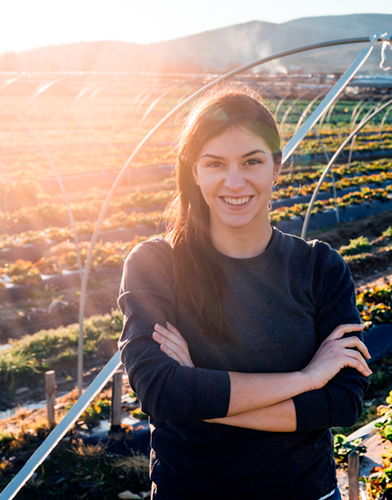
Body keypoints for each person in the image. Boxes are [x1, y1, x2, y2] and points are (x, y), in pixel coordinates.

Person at [117, 85, 371, 500]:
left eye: (251, 161)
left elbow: (342, 401)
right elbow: (159, 391)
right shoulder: (156, 265)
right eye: (215, 163)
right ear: (194, 171)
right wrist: (305, 379)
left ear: (276, 167)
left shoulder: (320, 267)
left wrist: (199, 395)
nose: (234, 182)